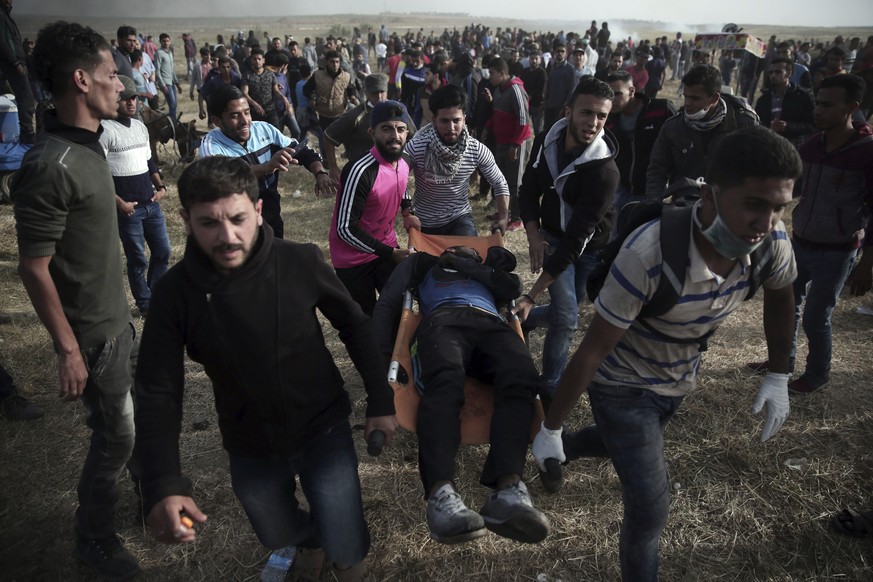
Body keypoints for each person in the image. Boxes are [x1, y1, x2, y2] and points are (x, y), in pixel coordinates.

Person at [530, 126, 801, 582]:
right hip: (621, 386)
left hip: (677, 379)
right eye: (754, 204)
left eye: (780, 208)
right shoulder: (649, 253)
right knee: (651, 508)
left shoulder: (770, 244)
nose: (767, 223)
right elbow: (593, 349)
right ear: (711, 196)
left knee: (629, 441)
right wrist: (551, 424)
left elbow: (781, 297)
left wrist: (778, 374)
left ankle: (570, 449)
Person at [133, 156, 397, 582]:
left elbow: (355, 325)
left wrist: (380, 400)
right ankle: (308, 542)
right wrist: (163, 478)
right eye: (208, 224)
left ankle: (345, 561)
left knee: (345, 533)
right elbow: (157, 389)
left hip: (322, 427)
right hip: (248, 440)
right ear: (185, 219)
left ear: (258, 210)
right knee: (274, 528)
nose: (227, 236)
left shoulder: (299, 261)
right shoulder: (173, 293)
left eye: (238, 218)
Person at [12, 21, 139, 580]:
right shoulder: (49, 165)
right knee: (115, 438)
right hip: (93, 333)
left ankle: (144, 496)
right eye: (113, 75)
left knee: (128, 427)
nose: (122, 86)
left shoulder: (87, 148)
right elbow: (33, 268)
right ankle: (96, 541)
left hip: (117, 317)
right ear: (83, 80)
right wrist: (68, 350)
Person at [371, 245, 550, 545]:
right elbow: (389, 302)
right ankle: (441, 495)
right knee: (445, 381)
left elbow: (512, 287)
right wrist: (378, 362)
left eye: (466, 250)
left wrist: (466, 266)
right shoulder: (422, 264)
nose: (456, 249)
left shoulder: (487, 273)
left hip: (491, 325)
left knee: (522, 377)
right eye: (452, 248)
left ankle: (509, 490)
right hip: (443, 321)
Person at [748, 74, 873, 393]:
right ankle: (783, 362)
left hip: (838, 250)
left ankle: (817, 374)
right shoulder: (811, 146)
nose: (818, 110)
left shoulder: (865, 153)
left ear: (851, 108)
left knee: (817, 317)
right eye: (818, 102)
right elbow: (793, 188)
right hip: (800, 243)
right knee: (786, 307)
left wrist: (867, 261)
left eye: (827, 105)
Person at [515, 77, 619, 400]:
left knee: (567, 308)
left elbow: (576, 243)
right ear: (568, 110)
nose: (593, 123)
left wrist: (531, 295)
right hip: (552, 235)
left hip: (588, 247)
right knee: (568, 319)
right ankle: (549, 389)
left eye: (601, 116)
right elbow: (528, 189)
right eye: (586, 112)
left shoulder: (605, 173)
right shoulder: (548, 138)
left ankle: (527, 319)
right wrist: (533, 235)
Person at [199, 84, 332, 239]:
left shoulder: (264, 130)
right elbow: (224, 177)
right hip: (236, 227)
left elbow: (302, 151)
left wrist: (320, 172)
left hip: (271, 216)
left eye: (247, 112)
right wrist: (266, 167)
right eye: (235, 116)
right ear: (217, 121)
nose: (245, 121)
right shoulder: (211, 146)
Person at [328, 101, 414, 315]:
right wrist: (390, 253)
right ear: (371, 132)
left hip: (386, 248)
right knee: (362, 320)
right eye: (386, 128)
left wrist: (407, 210)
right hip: (353, 259)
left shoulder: (403, 162)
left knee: (398, 310)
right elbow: (345, 229)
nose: (395, 136)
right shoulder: (360, 170)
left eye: (400, 129)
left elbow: (400, 185)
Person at [100, 75, 171, 317]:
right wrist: (119, 203)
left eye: (135, 98)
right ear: (113, 100)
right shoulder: (104, 129)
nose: (132, 103)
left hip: (151, 204)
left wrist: (161, 187)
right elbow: (98, 172)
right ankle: (145, 303)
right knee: (138, 259)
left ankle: (158, 294)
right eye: (125, 99)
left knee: (163, 252)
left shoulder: (140, 127)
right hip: (128, 209)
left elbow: (149, 161)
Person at [403, 84, 509, 236]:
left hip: (459, 219)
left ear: (464, 119)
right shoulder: (417, 147)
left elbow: (499, 182)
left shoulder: (475, 149)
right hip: (423, 222)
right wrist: (408, 212)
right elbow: (397, 178)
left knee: (468, 257)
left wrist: (504, 217)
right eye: (444, 121)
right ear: (434, 120)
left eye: (456, 120)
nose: (451, 127)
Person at [646, 64, 759, 200]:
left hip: (729, 207)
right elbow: (657, 170)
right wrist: (653, 203)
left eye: (695, 98)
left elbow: (757, 171)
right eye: (685, 96)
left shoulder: (743, 125)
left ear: (714, 98)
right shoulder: (673, 127)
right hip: (685, 205)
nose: (687, 103)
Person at [604, 70, 676, 217]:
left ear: (631, 91)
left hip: (652, 191)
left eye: (617, 94)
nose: (612, 100)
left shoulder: (661, 110)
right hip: (621, 191)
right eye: (609, 95)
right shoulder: (608, 120)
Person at [483, 57, 531, 231]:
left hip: (516, 143)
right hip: (502, 142)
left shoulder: (516, 90)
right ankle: (504, 213)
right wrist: (488, 127)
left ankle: (517, 218)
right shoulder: (498, 90)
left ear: (502, 73)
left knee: (515, 181)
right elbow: (498, 114)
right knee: (500, 178)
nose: (490, 77)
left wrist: (515, 144)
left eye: (492, 73)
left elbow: (523, 121)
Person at [755, 57, 816, 149]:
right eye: (771, 72)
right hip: (768, 145)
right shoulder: (764, 99)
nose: (773, 75)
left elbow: (812, 125)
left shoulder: (803, 96)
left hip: (794, 147)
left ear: (789, 73)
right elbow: (756, 124)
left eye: (778, 72)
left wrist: (788, 127)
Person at [0, 0, 35, 142]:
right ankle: (27, 134)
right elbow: (3, 42)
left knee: (23, 97)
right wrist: (15, 62)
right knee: (25, 98)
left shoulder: (5, 14)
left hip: (16, 62)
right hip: (13, 63)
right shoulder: (1, 15)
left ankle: (26, 132)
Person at [154, 33, 181, 120]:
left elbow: (172, 69)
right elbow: (157, 70)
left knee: (175, 105)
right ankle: (173, 123)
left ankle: (172, 122)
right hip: (165, 83)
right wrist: (162, 84)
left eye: (167, 41)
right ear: (160, 42)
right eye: (164, 41)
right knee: (172, 104)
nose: (166, 43)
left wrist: (177, 83)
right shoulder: (159, 53)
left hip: (172, 82)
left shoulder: (169, 53)